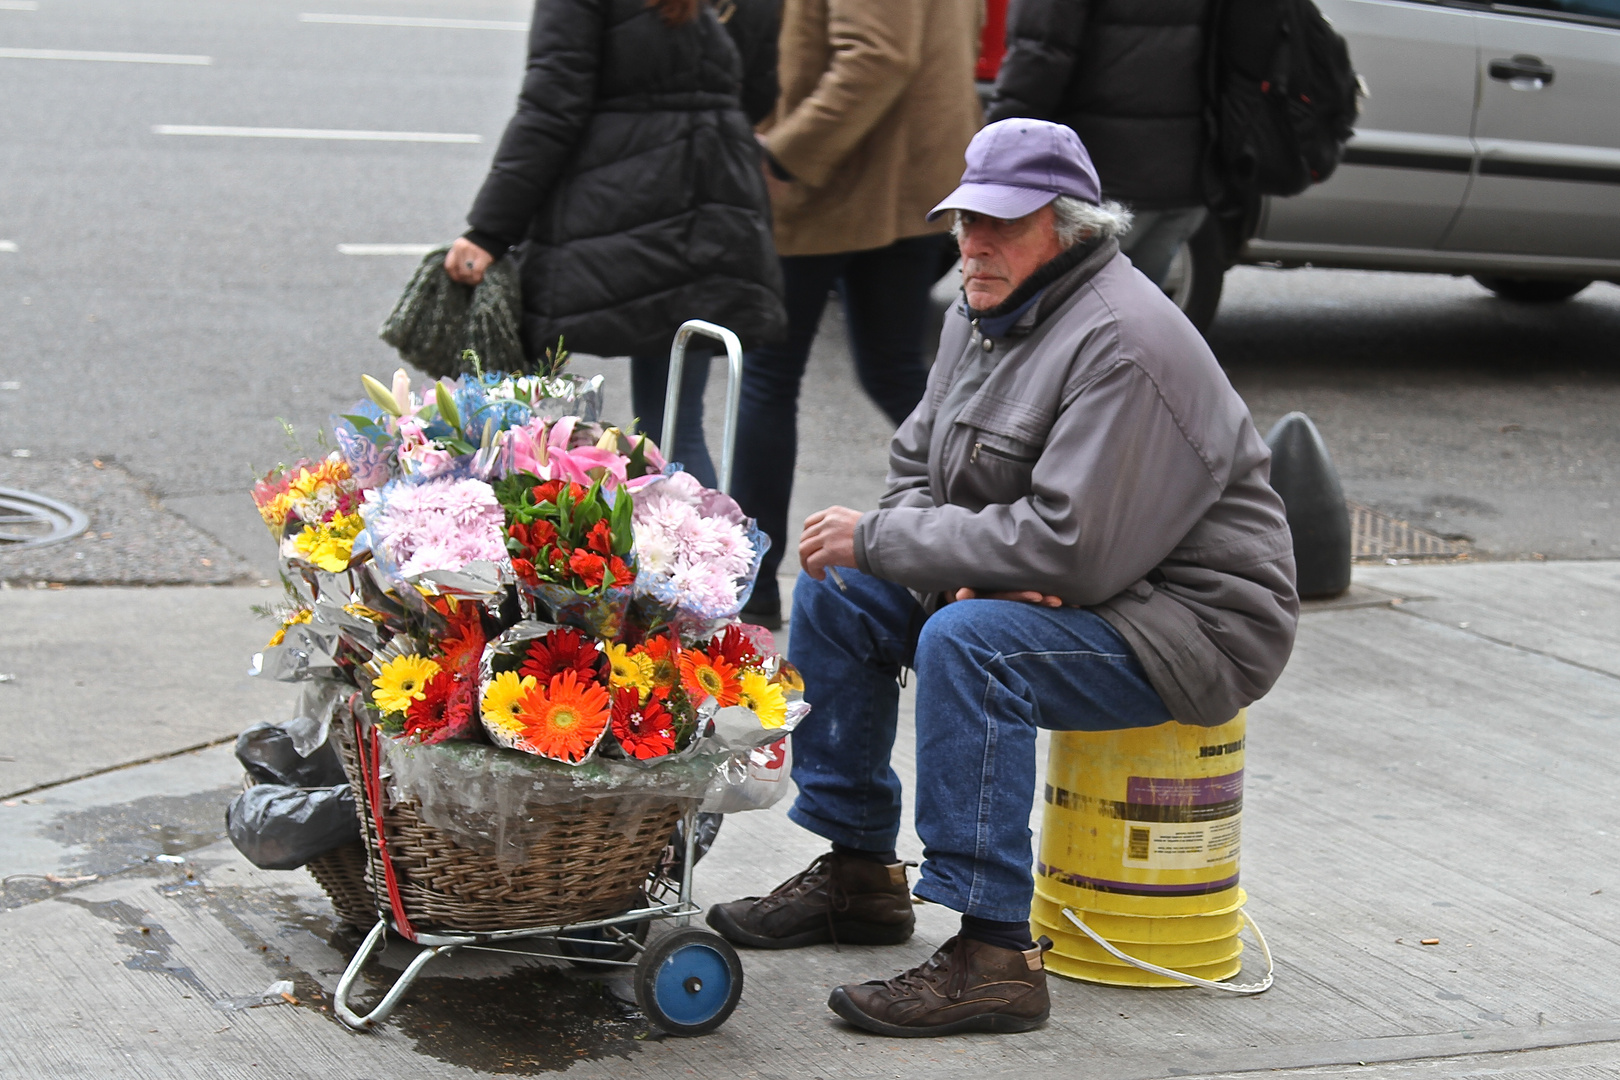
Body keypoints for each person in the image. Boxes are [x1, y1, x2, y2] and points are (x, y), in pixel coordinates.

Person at [707, 119, 1298, 1037]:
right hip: (1066, 583)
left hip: (1192, 623)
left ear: (1070, 229)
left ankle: (994, 954)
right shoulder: (979, 310)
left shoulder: (1123, 339)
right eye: (963, 223)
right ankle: (858, 873)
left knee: (970, 644)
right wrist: (952, 565)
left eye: (1000, 224)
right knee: (836, 579)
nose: (973, 245)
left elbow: (1074, 552)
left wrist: (963, 574)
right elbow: (914, 471)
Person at [445, 0, 787, 488]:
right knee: (675, 425)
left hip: (618, 204)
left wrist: (489, 231)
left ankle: (552, 556)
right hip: (716, 206)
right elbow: (756, 92)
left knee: (527, 422)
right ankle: (707, 560)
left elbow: (551, 110)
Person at [728, 0, 982, 625]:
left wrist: (785, 154)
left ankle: (751, 585)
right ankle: (998, 527)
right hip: (908, 174)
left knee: (769, 374)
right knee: (893, 370)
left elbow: (877, 56)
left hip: (841, 182)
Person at [985, 0, 1212, 288]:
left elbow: (1039, 55)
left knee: (1059, 316)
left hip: (1094, 178)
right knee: (1135, 314)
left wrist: (995, 154)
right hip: (1185, 169)